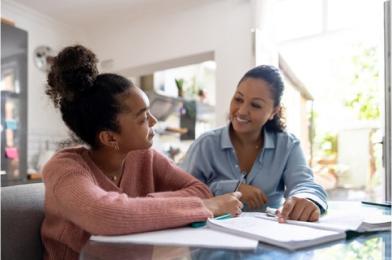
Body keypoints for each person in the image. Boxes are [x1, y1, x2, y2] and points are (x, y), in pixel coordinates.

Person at [40, 45, 242, 260]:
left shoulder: (143, 156)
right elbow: (106, 215)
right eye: (143, 118)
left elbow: (200, 190)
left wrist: (143, 205)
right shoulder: (64, 168)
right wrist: (204, 207)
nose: (154, 121)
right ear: (109, 137)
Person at [181, 65, 327, 223]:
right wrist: (231, 188)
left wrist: (305, 200)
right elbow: (183, 195)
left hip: (270, 239)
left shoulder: (288, 145)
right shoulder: (206, 144)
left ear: (273, 112)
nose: (242, 111)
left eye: (256, 105)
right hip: (209, 236)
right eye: (238, 99)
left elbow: (305, 184)